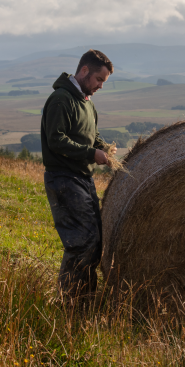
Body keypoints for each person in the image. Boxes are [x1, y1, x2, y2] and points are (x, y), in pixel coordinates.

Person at [40, 49, 116, 302]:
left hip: (82, 179)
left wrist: (104, 149)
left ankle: (86, 298)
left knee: (94, 241)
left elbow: (91, 136)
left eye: (103, 82)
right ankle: (72, 302)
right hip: (64, 179)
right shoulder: (62, 99)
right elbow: (56, 140)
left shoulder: (86, 102)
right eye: (99, 80)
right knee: (81, 242)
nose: (100, 86)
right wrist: (91, 154)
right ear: (84, 71)